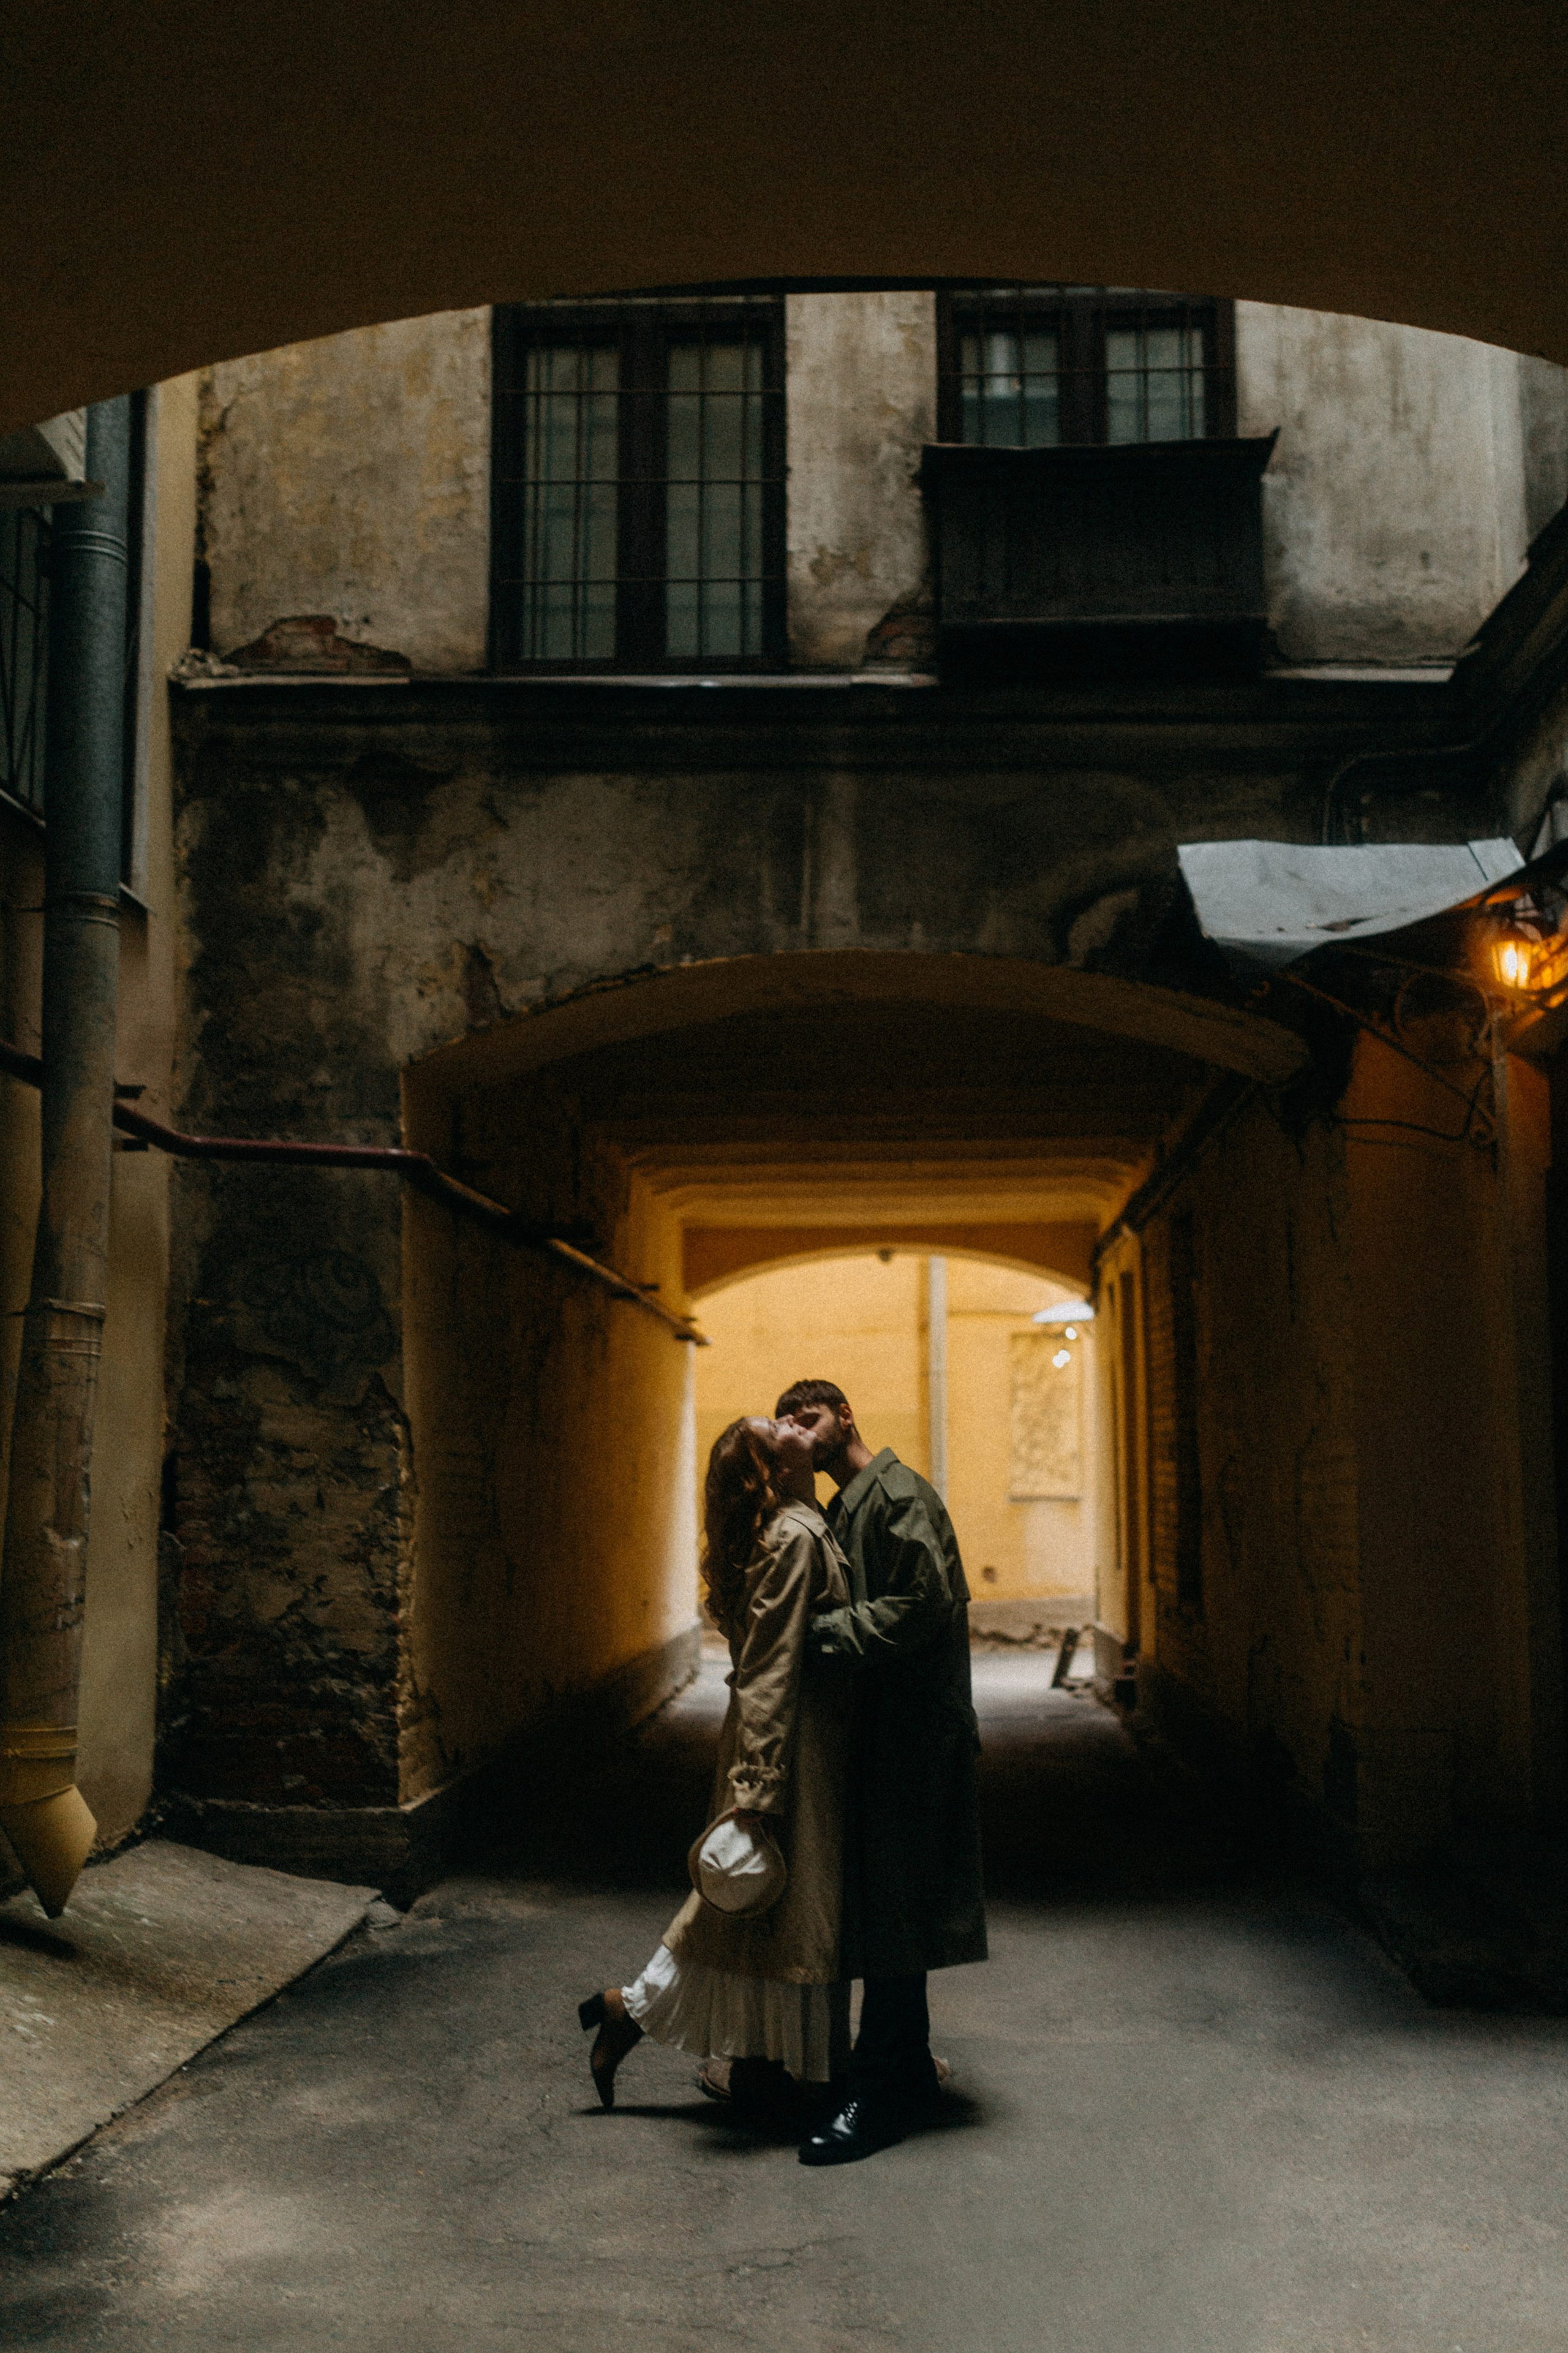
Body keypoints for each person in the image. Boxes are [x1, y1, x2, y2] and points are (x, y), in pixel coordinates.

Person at [578, 1415, 854, 2112]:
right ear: (772, 1468)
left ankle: (642, 2016)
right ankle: (812, 2076)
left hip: (789, 1742)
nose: (792, 1420)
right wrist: (758, 1786)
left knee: (756, 1915)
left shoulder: (791, 1524)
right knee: (772, 1908)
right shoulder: (791, 1536)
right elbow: (767, 1669)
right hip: (789, 1748)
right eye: (778, 1426)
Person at [774, 1377, 986, 2166]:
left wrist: (816, 1632)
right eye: (787, 1421)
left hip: (913, 1741)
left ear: (847, 1414)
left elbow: (921, 1604)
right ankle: (904, 2075)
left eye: (812, 1415)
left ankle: (877, 2092)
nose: (800, 1429)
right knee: (886, 1912)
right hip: (884, 1737)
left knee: (895, 1914)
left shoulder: (898, 1495)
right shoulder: (846, 1508)